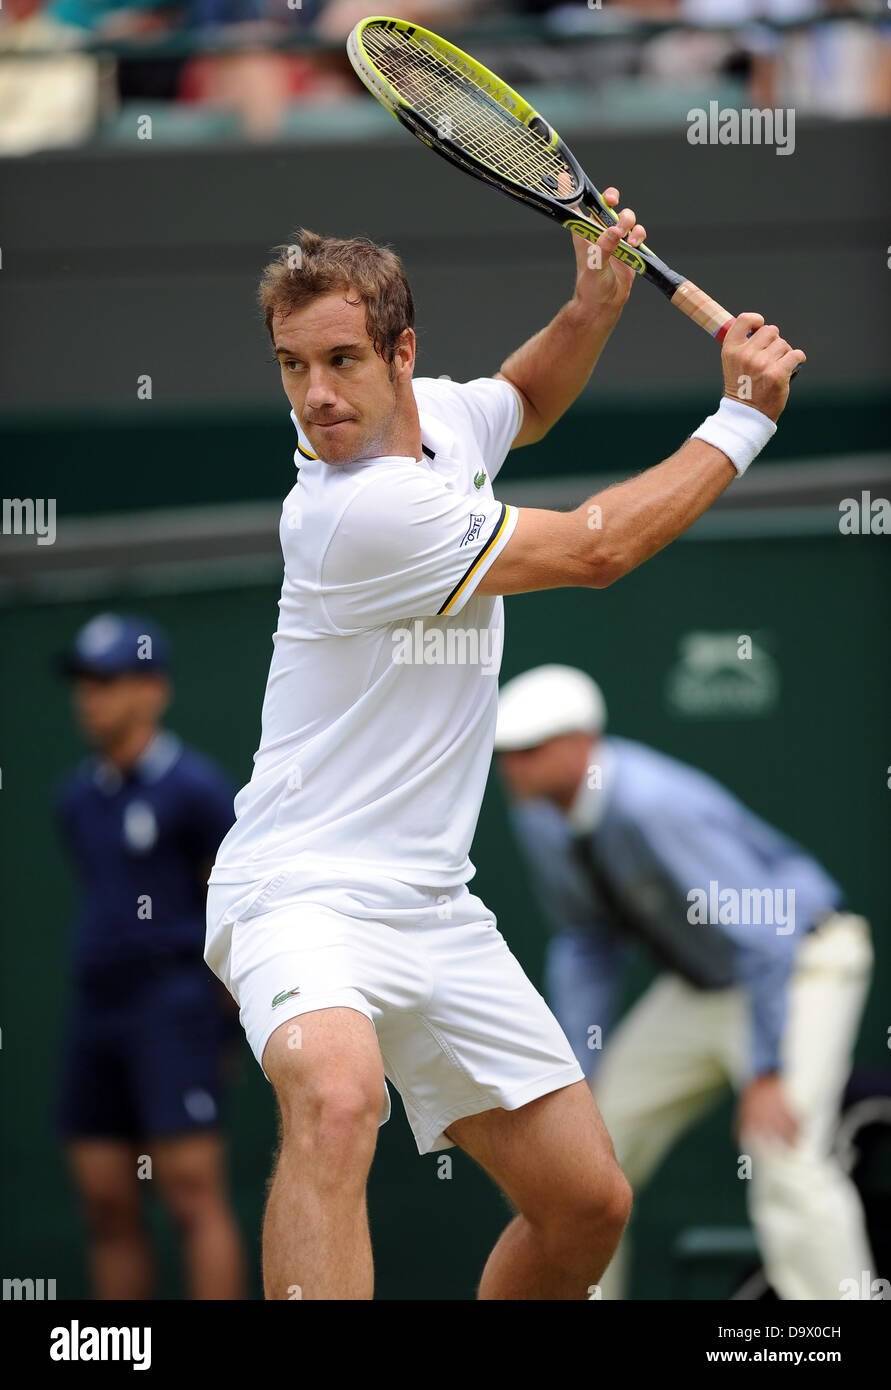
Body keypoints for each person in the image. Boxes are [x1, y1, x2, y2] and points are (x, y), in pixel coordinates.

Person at [204, 202, 805, 1299]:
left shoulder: (435, 420)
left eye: (342, 360)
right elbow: (597, 547)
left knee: (587, 1206)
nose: (319, 395)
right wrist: (743, 420)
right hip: (299, 893)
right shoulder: (354, 512)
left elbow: (521, 401)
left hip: (434, 907)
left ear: (403, 355)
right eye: (293, 367)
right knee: (338, 1098)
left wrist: (593, 305)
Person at [494, 663, 875, 1300]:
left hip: (801, 965)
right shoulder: (539, 817)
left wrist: (766, 1070)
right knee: (584, 1155)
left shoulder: (653, 804)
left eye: (530, 751)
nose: (513, 768)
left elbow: (764, 932)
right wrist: (577, 1065)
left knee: (784, 1151)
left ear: (583, 743)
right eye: (505, 754)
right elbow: (587, 943)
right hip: (706, 982)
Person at [55, 612, 246, 1300]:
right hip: (97, 1011)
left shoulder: (196, 791)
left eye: (107, 680)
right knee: (106, 1201)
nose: (90, 697)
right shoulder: (75, 800)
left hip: (174, 1011)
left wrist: (220, 1028)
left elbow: (231, 918)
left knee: (192, 1198)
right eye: (84, 681)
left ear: (152, 689)